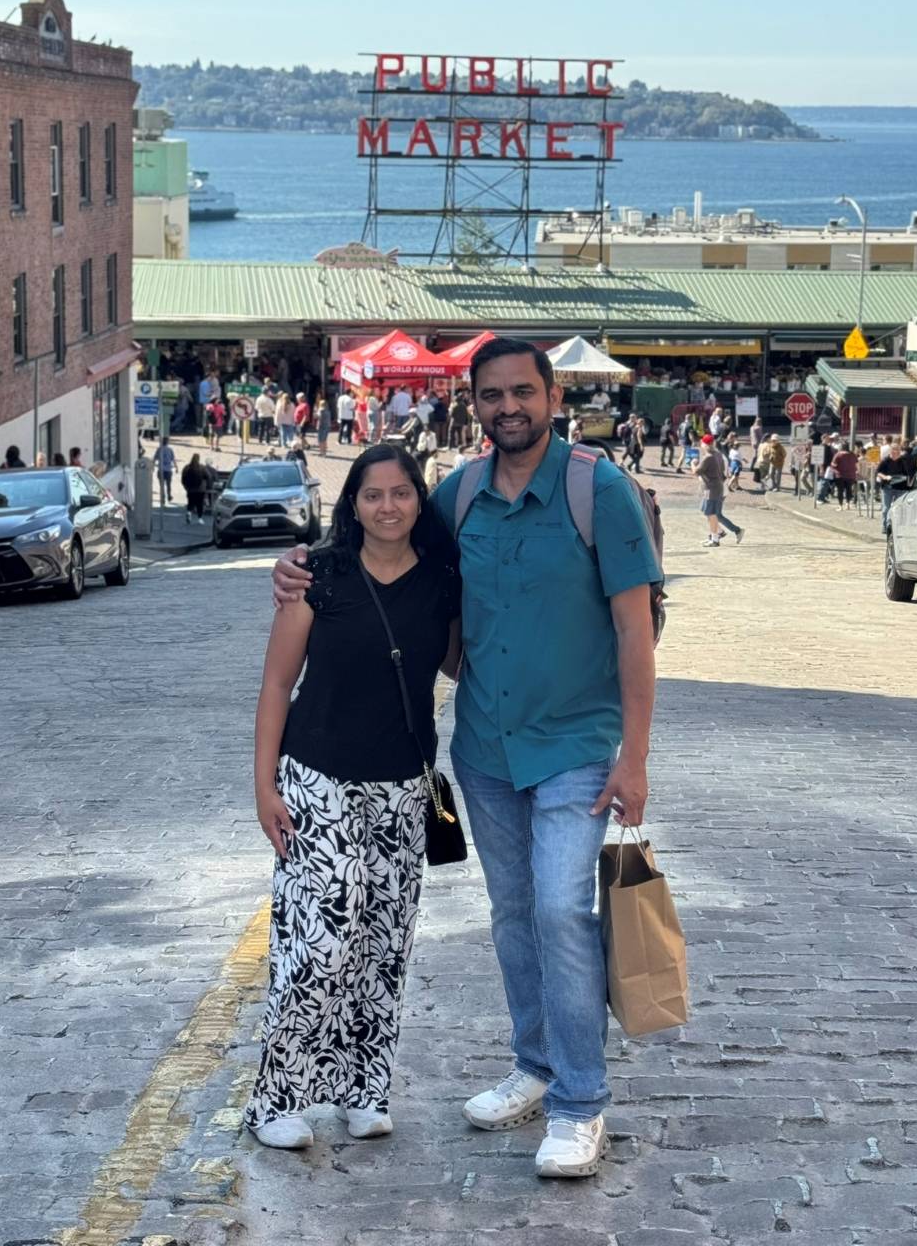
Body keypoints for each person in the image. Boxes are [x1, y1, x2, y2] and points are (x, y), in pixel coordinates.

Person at [273, 337, 661, 1180]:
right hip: (484, 750)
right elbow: (393, 556)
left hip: (576, 750)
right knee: (514, 915)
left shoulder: (602, 494)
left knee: (562, 912)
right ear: (474, 405)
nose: (508, 408)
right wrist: (300, 567)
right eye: (492, 396)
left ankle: (580, 1104)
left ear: (553, 397)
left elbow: (637, 629)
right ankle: (537, 1063)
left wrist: (635, 757)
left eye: (523, 392)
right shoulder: (457, 495)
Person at [245, 444, 462, 1151]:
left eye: (402, 494)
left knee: (382, 946)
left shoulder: (442, 581)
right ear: (354, 503)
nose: (389, 507)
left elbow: (466, 660)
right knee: (320, 943)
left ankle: (364, 1091)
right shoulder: (319, 575)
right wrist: (264, 785)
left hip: (402, 785)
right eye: (374, 495)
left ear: (418, 503)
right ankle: (277, 1100)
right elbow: (278, 684)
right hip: (318, 778)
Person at [693, 433, 745, 548]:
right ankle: (717, 534)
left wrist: (693, 464)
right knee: (709, 512)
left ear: (705, 444)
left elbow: (697, 471)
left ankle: (718, 537)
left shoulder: (709, 457)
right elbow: (722, 473)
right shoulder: (718, 455)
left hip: (713, 489)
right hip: (716, 487)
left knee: (713, 514)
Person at [876, 442, 912, 532]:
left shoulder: (903, 461)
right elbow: (879, 472)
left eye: (898, 450)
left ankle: (897, 526)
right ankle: (885, 526)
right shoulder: (885, 460)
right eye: (894, 450)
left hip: (901, 487)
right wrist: (885, 477)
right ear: (890, 451)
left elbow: (908, 473)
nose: (896, 452)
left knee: (899, 508)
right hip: (888, 487)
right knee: (886, 508)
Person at [181, 452, 208, 524]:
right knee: (199, 504)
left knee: (190, 503)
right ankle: (200, 518)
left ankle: (189, 513)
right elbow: (208, 476)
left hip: (190, 489)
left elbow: (183, 479)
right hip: (200, 489)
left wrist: (186, 487)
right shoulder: (202, 467)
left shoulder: (187, 467)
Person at [832, 440, 858, 508]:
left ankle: (840, 506)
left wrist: (835, 471)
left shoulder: (838, 455)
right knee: (849, 490)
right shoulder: (853, 455)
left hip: (840, 475)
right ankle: (848, 504)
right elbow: (856, 464)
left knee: (840, 490)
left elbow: (833, 465)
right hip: (851, 475)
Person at [153, 437, 176, 501]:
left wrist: (152, 467)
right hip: (168, 470)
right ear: (167, 442)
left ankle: (162, 497)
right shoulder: (170, 450)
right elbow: (173, 459)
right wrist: (176, 467)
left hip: (161, 469)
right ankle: (169, 495)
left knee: (161, 485)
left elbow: (154, 458)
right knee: (168, 484)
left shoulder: (159, 449)